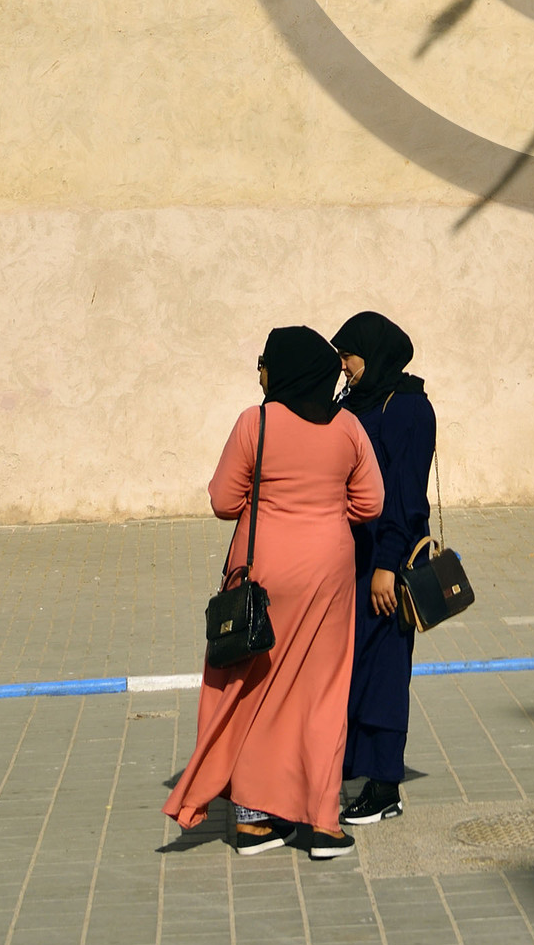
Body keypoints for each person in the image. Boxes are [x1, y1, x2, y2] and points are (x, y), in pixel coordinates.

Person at [164, 326, 383, 860]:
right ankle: (324, 824)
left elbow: (222, 500)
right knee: (322, 694)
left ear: (284, 369)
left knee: (252, 686)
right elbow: (371, 503)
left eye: (264, 361)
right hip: (329, 572)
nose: (259, 371)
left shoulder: (254, 423)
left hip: (263, 571)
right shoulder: (349, 426)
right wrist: (326, 516)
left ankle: (253, 819)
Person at [331, 310, 437, 826]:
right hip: (350, 558)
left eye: (349, 356)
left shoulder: (410, 409)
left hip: (384, 564)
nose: (344, 367)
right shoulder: (358, 401)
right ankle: (355, 768)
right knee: (354, 668)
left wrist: (388, 566)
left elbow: (406, 495)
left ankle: (384, 785)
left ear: (374, 354)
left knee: (385, 671)